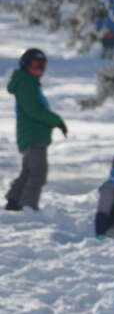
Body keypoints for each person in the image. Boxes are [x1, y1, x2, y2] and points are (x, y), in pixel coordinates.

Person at [4, 48, 66, 212]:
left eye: (42, 66)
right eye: (35, 65)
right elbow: (33, 110)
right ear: (25, 65)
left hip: (33, 135)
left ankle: (14, 201)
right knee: (38, 173)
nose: (39, 69)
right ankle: (27, 206)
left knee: (29, 171)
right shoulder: (26, 84)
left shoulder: (29, 83)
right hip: (33, 137)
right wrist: (56, 121)